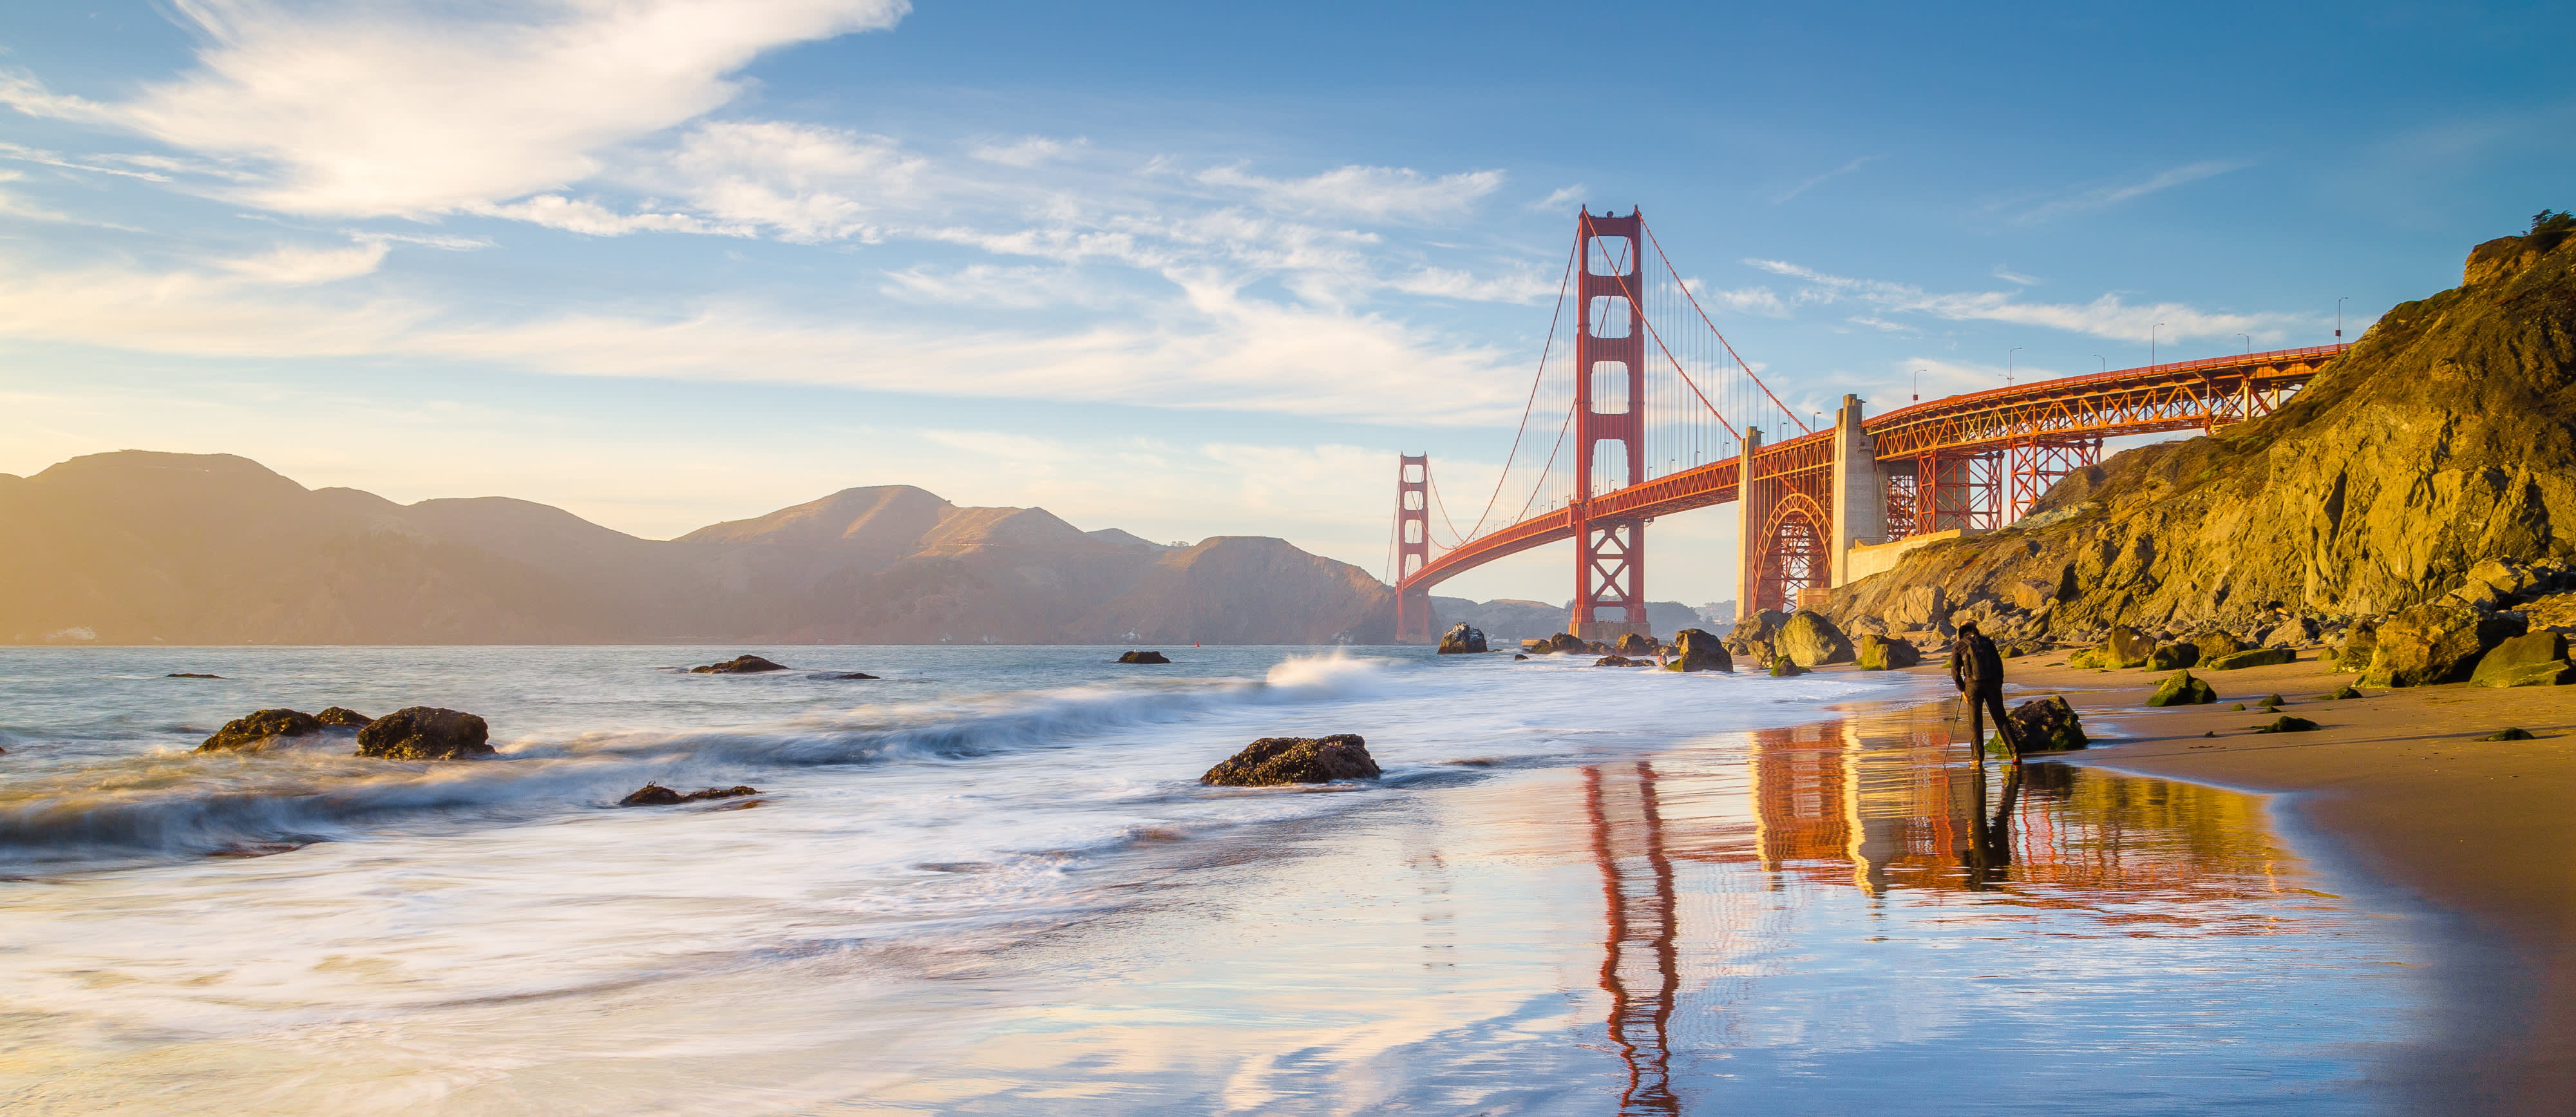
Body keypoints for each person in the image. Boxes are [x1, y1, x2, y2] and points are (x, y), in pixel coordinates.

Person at [1949, 620, 2023, 760]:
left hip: (1972, 686)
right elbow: (1999, 665)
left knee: (1975, 723)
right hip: (1992, 684)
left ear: (1961, 631)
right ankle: (2015, 754)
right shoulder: (1987, 642)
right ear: (1975, 629)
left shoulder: (1959, 645)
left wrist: (1962, 690)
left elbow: (1955, 671)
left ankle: (1977, 759)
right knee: (2001, 719)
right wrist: (1998, 684)